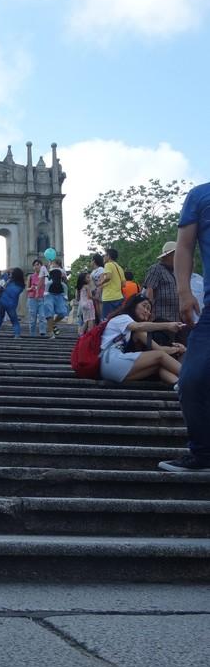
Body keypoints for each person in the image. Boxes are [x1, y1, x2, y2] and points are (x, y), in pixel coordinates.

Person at [159, 182, 210, 472]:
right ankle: (202, 453)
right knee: (190, 380)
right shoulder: (200, 196)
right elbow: (185, 246)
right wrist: (183, 291)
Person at [100, 293, 184, 385]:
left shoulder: (136, 330)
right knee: (159, 356)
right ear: (133, 306)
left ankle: (180, 386)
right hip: (110, 360)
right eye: (144, 306)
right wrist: (168, 326)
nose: (147, 311)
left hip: (112, 368)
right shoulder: (123, 318)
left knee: (158, 365)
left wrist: (178, 349)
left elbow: (159, 349)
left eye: (149, 310)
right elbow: (139, 326)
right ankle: (191, 378)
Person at [143, 241, 181, 346]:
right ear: (168, 255)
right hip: (161, 318)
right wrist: (148, 314)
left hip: (175, 318)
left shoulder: (174, 271)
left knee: (177, 348)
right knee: (165, 348)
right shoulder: (156, 269)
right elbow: (149, 291)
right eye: (176, 254)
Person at [0, 267, 25, 338]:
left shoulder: (7, 280)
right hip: (11, 304)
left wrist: (8, 272)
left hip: (2, 301)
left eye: (11, 273)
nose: (10, 274)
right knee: (14, 320)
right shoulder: (21, 286)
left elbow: (3, 276)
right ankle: (17, 334)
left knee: (0, 317)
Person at [43, 258, 68, 339]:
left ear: (58, 264)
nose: (52, 264)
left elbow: (65, 283)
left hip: (59, 293)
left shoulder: (61, 270)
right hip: (50, 293)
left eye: (54, 263)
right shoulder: (50, 270)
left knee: (63, 312)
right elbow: (47, 280)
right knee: (49, 310)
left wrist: (64, 277)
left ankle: (52, 324)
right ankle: (50, 332)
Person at [99, 247, 126, 316]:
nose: (104, 257)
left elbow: (108, 277)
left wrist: (100, 283)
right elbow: (123, 284)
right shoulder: (119, 267)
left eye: (105, 255)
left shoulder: (108, 264)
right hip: (119, 297)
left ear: (108, 256)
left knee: (106, 320)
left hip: (109, 297)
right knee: (117, 319)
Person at [26, 259, 47, 337]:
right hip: (32, 298)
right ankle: (32, 334)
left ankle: (42, 332)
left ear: (41, 266)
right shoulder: (30, 276)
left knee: (42, 316)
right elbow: (27, 289)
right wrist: (31, 288)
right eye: (34, 265)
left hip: (42, 298)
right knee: (32, 317)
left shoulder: (45, 277)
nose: (36, 266)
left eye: (38, 265)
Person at [90, 253, 105, 323]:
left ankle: (102, 322)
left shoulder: (101, 269)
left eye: (91, 260)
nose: (91, 262)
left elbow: (102, 281)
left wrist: (98, 292)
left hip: (100, 291)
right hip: (94, 292)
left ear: (94, 261)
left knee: (100, 308)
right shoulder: (93, 271)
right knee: (97, 309)